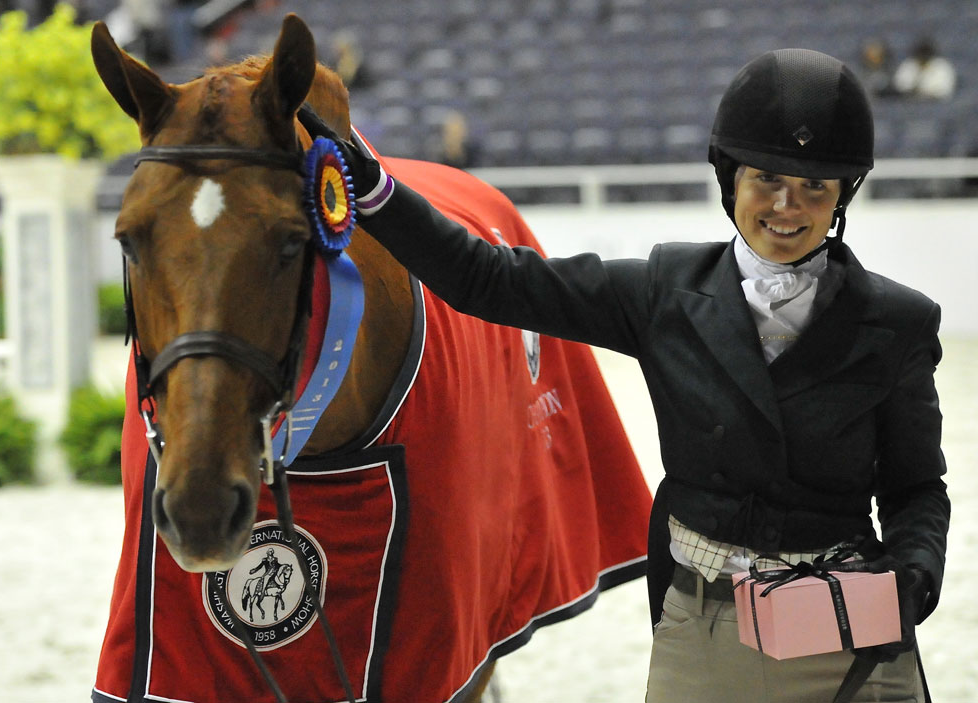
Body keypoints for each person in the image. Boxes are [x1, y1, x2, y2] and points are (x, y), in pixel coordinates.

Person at [305, 48, 950, 702]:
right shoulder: (662, 291)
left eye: (815, 186)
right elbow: (489, 279)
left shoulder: (899, 323)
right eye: (766, 179)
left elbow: (917, 487)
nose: (788, 206)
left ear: (844, 193)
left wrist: (914, 575)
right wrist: (378, 193)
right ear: (730, 180)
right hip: (707, 630)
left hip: (850, 633)